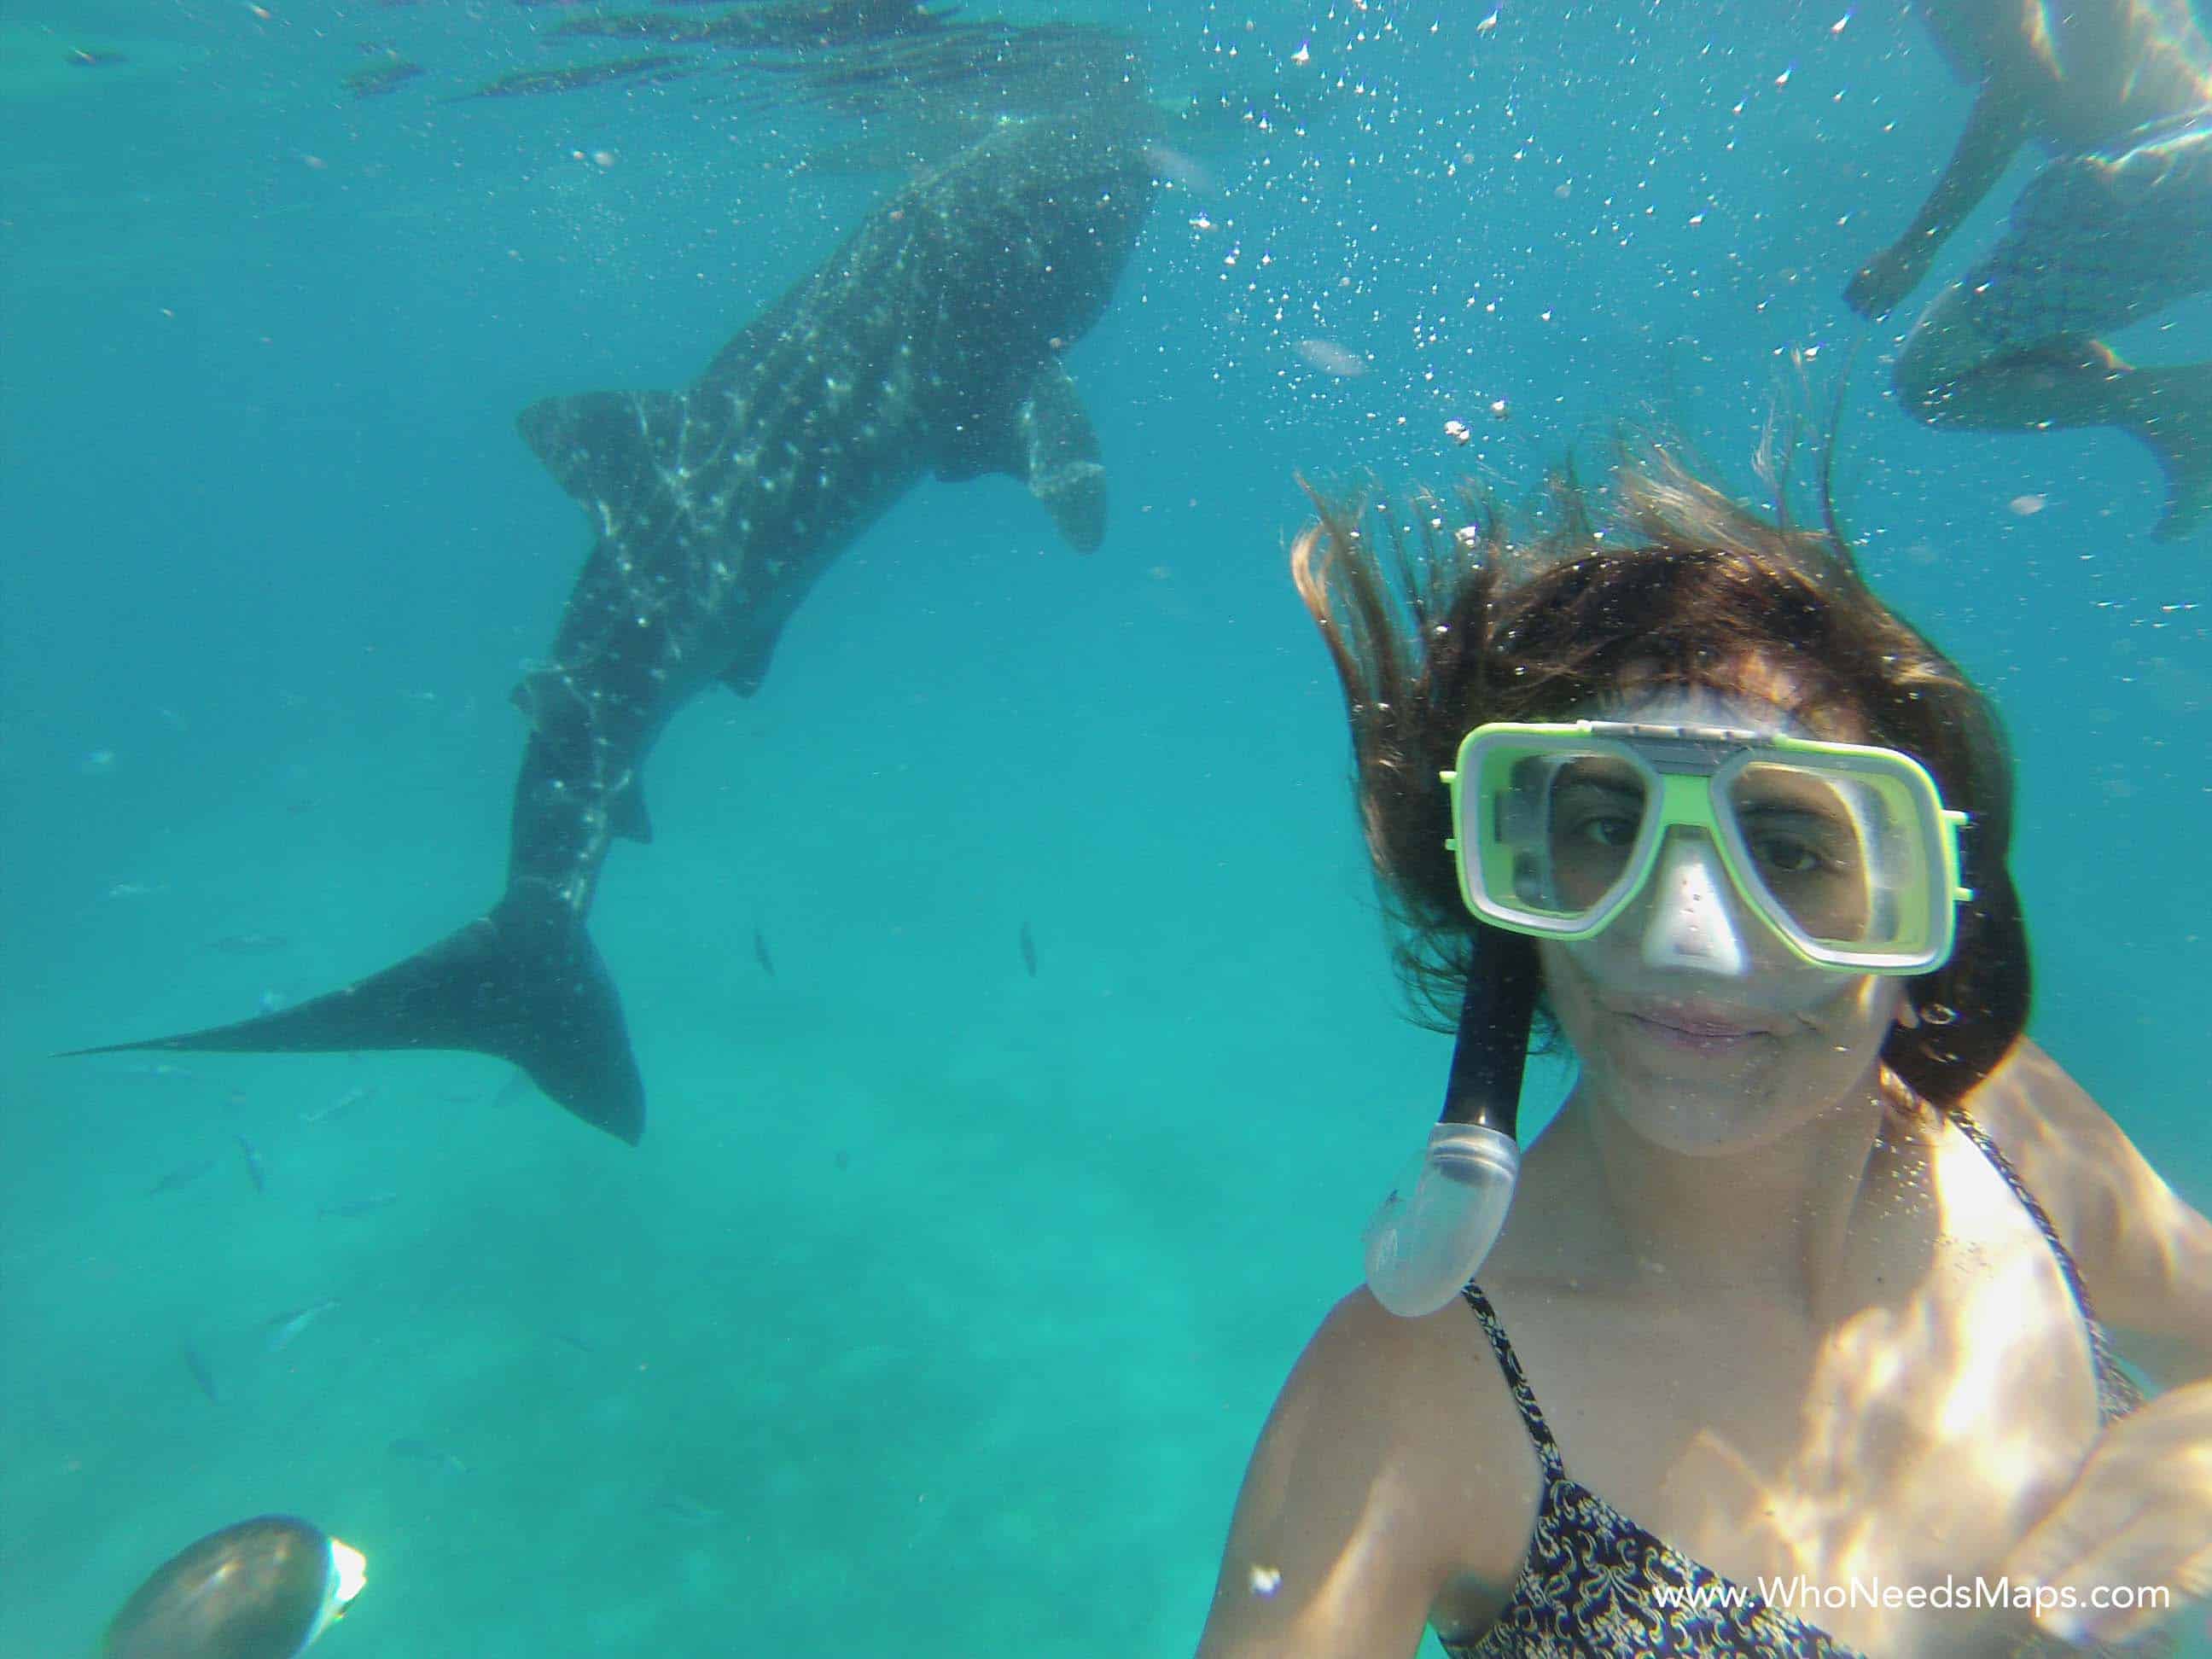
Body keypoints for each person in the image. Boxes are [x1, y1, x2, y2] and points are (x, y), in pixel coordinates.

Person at [1194, 446, 2212, 1657]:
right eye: (1607, 827)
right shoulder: (1404, 1393)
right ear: (1505, 886)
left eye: (1788, 848)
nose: (1686, 942)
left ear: (1934, 912)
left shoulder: (2010, 1121)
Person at [1843, 0, 2212, 540]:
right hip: (2183, 170)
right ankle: (2182, 429)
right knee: (2036, 340)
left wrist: (1914, 249)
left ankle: (2190, 404)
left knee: (1931, 383)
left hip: (2139, 189)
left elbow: (2019, 84)